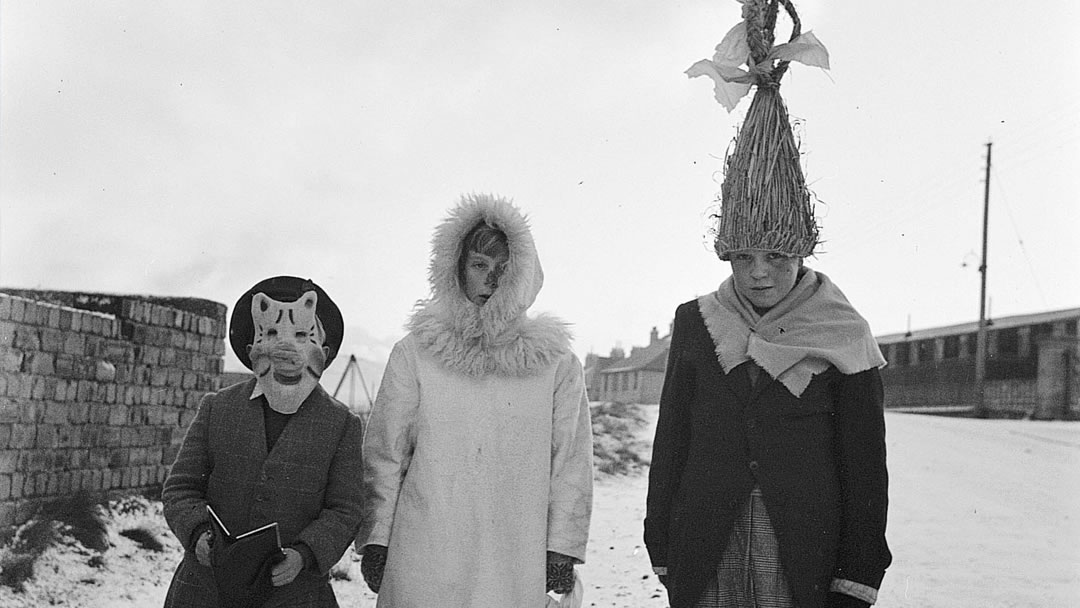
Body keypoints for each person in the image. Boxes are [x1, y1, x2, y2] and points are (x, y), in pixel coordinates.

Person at [646, 3, 890, 606]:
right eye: (744, 257)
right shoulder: (697, 322)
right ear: (727, 252)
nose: (759, 274)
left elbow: (864, 470)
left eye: (776, 258)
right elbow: (672, 440)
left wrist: (857, 577)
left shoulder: (842, 332)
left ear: (801, 253)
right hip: (707, 551)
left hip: (803, 557)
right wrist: (663, 542)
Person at [357, 193, 593, 607]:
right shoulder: (417, 352)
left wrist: (562, 546)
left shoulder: (555, 364)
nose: (491, 281)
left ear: (523, 276)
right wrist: (376, 538)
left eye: (504, 269)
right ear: (456, 268)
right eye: (479, 265)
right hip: (425, 546)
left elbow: (570, 460)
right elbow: (385, 452)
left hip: (513, 551)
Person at [162, 276, 364, 608]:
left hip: (294, 596)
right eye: (272, 335)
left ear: (324, 355)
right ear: (250, 352)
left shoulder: (341, 424)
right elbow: (180, 489)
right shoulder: (218, 408)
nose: (287, 351)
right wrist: (196, 532)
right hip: (205, 591)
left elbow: (345, 509)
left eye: (302, 337)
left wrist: (305, 554)